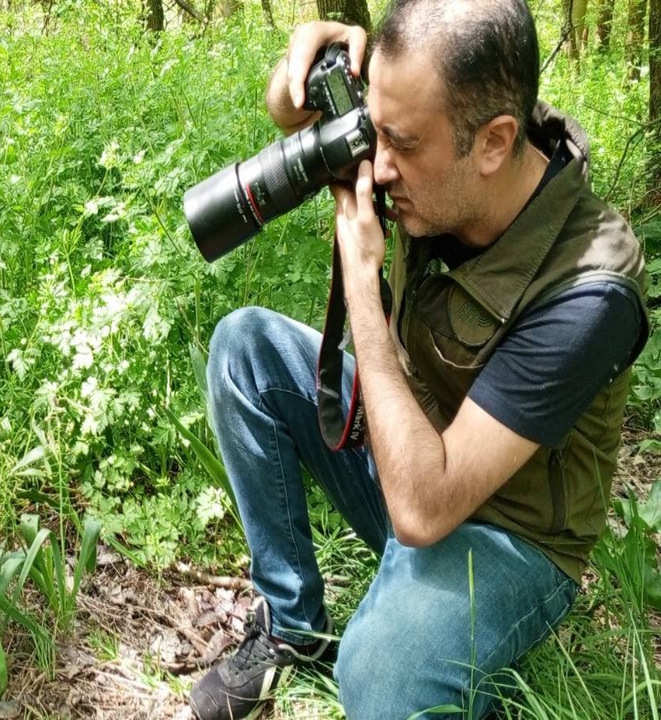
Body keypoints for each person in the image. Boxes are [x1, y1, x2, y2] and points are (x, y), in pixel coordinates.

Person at [189, 1, 650, 719]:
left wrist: (364, 290)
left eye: (399, 145)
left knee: (381, 680)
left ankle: (449, 652)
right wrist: (297, 71)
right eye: (375, 132)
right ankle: (294, 626)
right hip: (409, 444)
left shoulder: (591, 291)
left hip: (506, 532)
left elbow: (424, 509)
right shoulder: (433, 105)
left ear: (494, 143)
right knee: (244, 349)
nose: (380, 163)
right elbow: (289, 111)